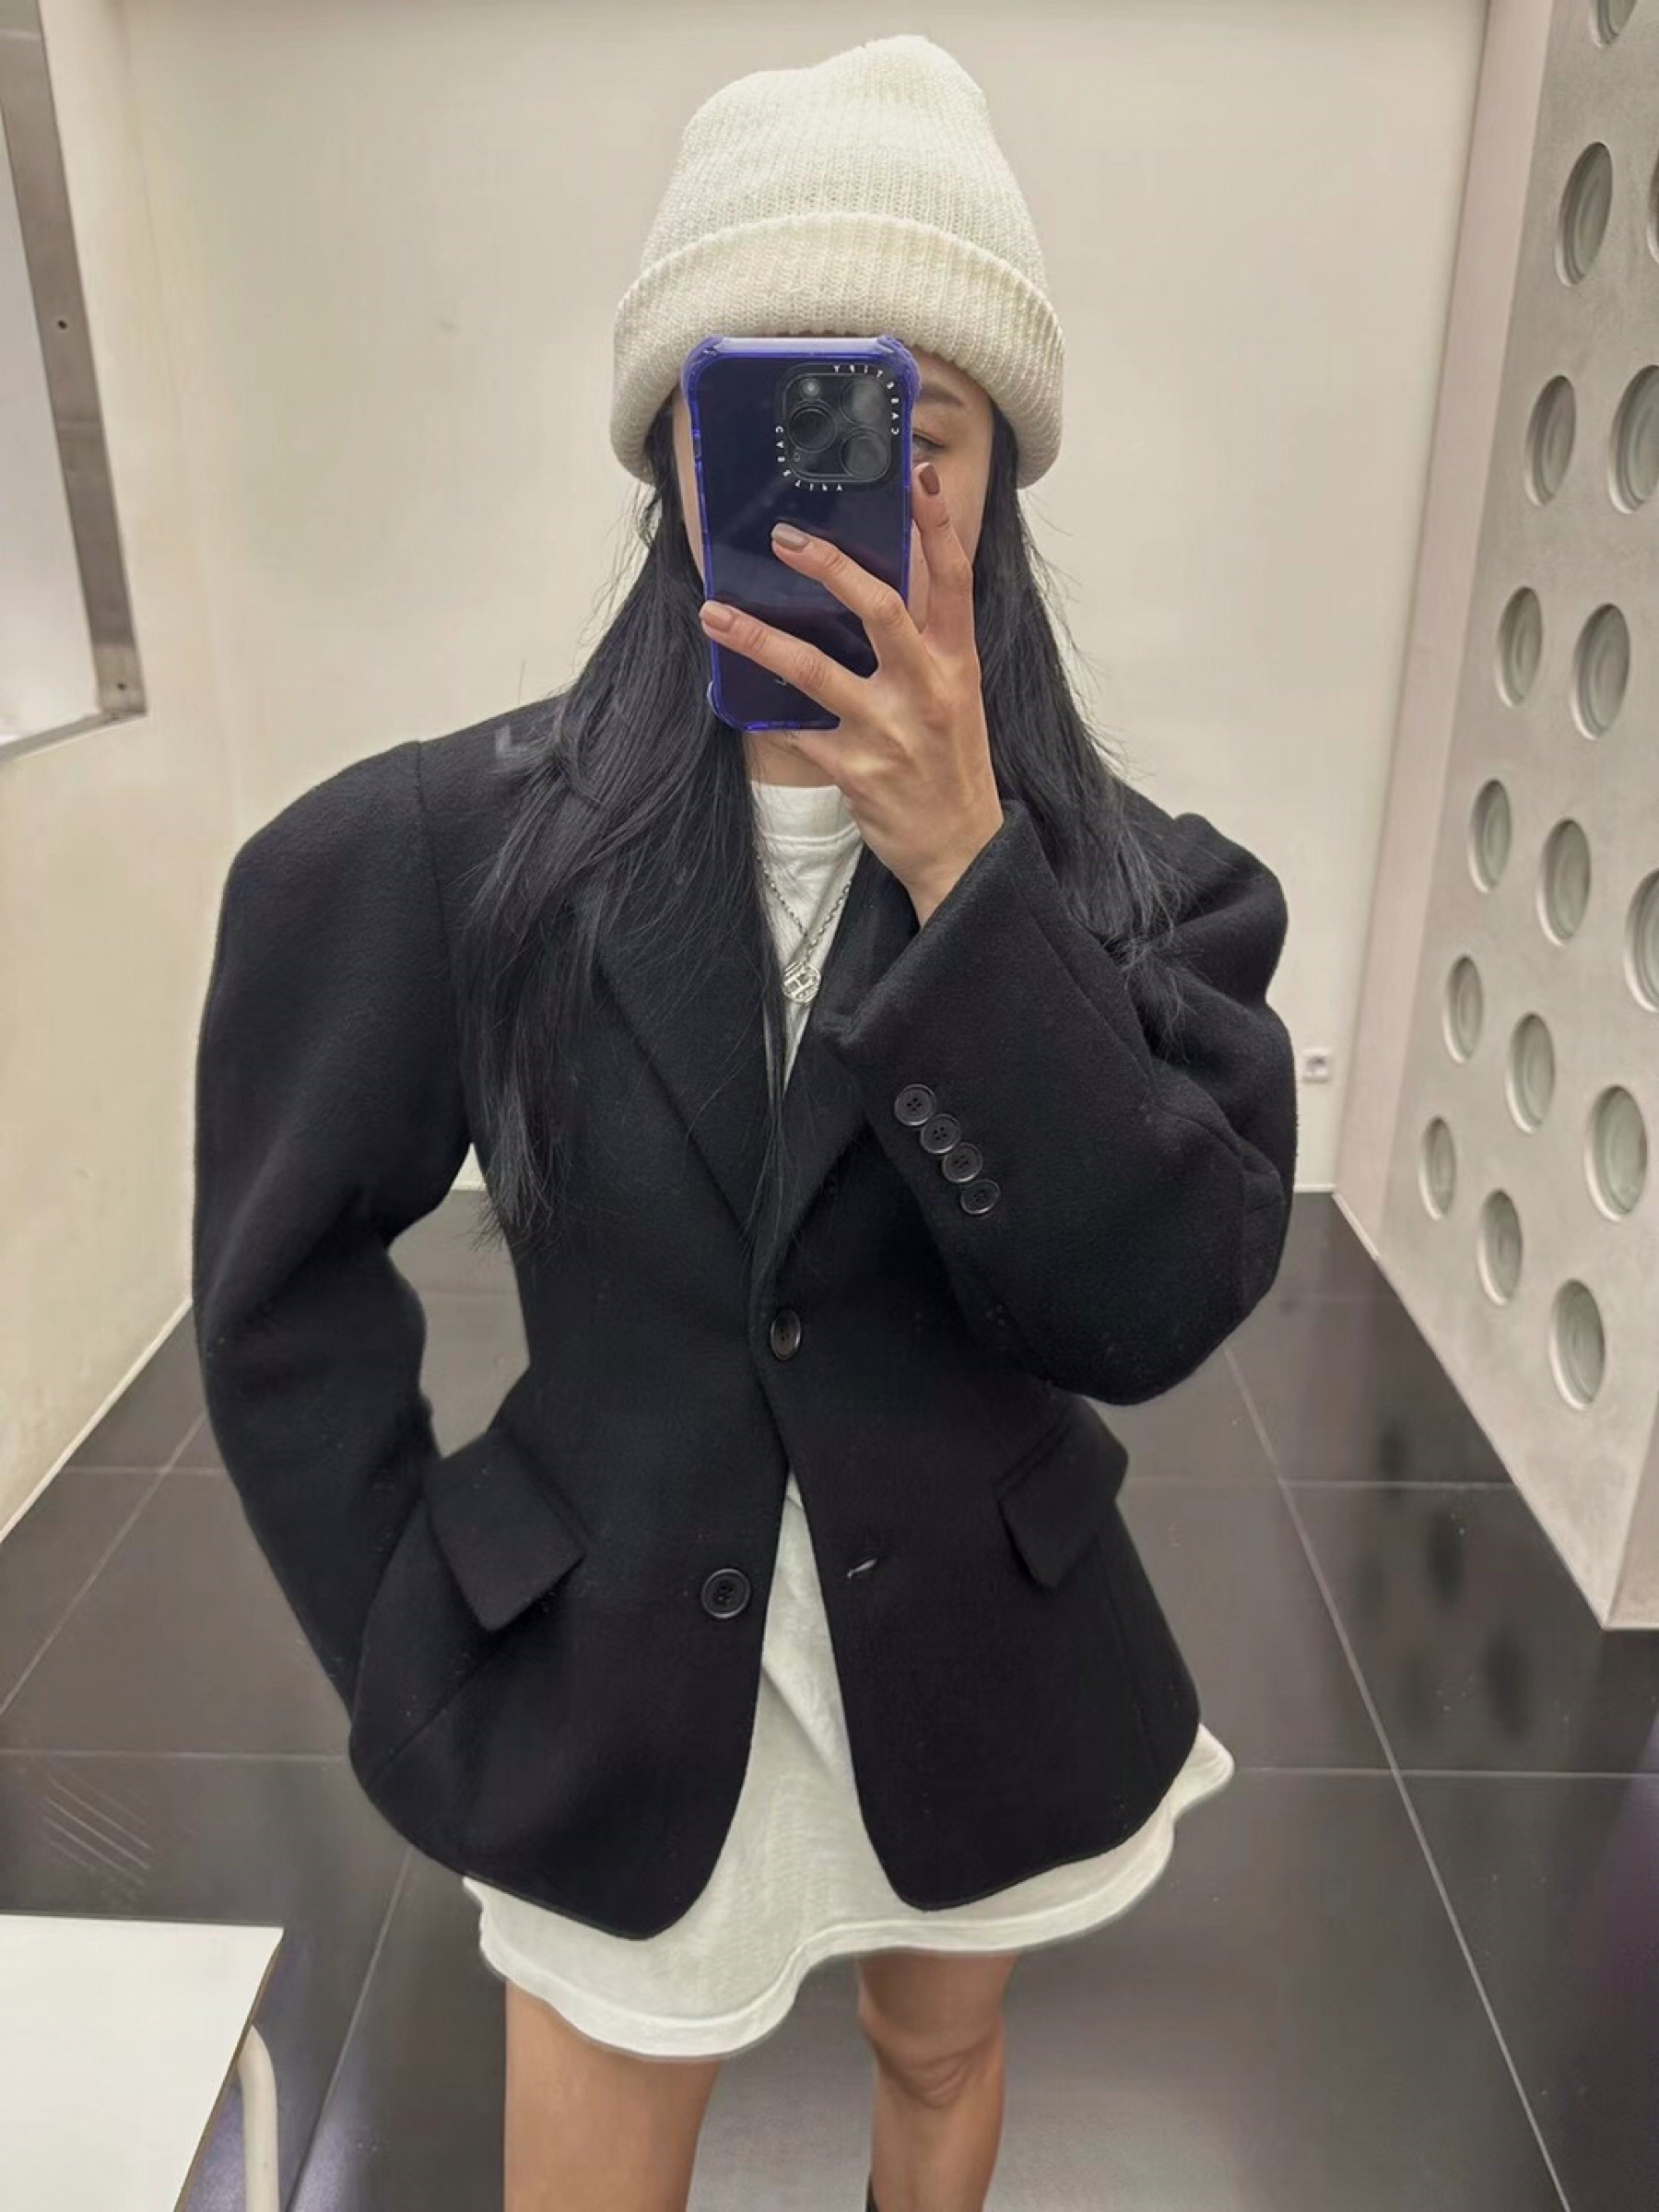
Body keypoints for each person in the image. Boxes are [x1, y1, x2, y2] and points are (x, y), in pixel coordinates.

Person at [192, 32, 1298, 2212]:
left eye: (911, 432)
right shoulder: (453, 858)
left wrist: (970, 883)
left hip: (979, 1657)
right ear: (671, 455)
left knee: (939, 2065)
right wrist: (412, 1611)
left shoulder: (1137, 893)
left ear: (995, 474)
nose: (831, 496)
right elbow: (275, 1282)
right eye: (762, 418)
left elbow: (1153, 1301)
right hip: (600, 1670)